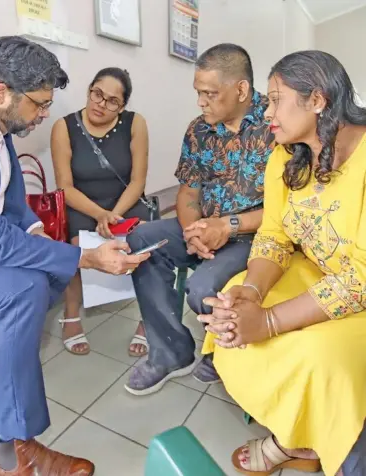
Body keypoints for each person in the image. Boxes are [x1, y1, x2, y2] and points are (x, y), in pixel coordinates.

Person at [0, 36, 148, 476]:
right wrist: (85, 258)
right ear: (1, 92)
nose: (45, 113)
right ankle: (10, 450)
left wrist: (41, 234)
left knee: (45, 274)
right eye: (39, 104)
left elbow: (11, 200)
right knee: (25, 287)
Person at [200, 50, 366, 476]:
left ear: (318, 100)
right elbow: (274, 236)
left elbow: (361, 280)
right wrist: (251, 294)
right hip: (319, 270)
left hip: (360, 286)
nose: (267, 113)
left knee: (317, 352)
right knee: (232, 298)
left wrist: (270, 320)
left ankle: (311, 441)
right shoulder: (286, 156)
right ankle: (296, 435)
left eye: (275, 100)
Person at [125, 43, 275, 396]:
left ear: (241, 90)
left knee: (203, 290)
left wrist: (227, 226)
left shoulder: (276, 123)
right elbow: (188, 193)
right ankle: (172, 352)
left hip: (254, 234)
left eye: (209, 93)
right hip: (206, 227)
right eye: (198, 93)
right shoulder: (199, 130)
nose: (201, 102)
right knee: (142, 240)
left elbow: (292, 209)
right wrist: (193, 231)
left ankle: (223, 350)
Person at [51, 67, 150, 357]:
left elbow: (138, 181)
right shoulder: (64, 126)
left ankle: (148, 317)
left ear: (122, 105)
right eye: (97, 94)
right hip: (82, 202)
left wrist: (114, 215)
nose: (100, 104)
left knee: (146, 241)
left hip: (125, 201)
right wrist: (99, 214)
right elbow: (65, 187)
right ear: (89, 89)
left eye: (112, 101)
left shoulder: (135, 124)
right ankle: (71, 316)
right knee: (74, 247)